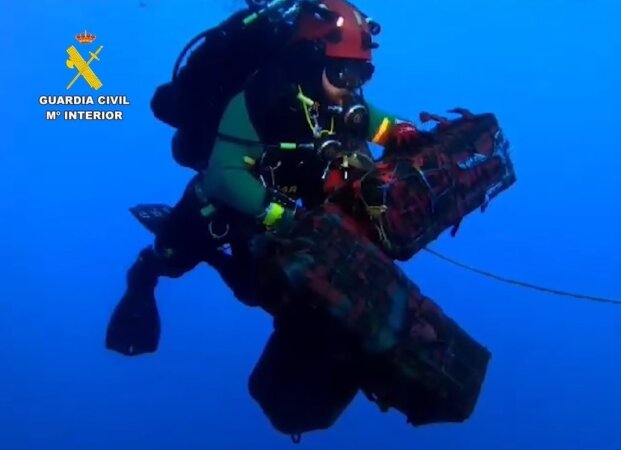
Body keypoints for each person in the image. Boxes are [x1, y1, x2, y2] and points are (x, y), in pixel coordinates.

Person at [105, 0, 417, 357]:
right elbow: (225, 174)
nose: (352, 88)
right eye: (345, 75)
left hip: (278, 202)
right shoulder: (260, 97)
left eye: (362, 76)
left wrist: (401, 131)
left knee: (252, 291)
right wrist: (281, 215)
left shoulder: (332, 94)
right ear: (316, 58)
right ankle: (146, 272)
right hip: (224, 203)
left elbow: (369, 119)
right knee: (172, 256)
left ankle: (219, 258)